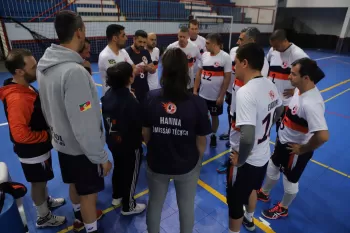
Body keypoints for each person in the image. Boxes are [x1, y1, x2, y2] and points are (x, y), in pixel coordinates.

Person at [37, 10, 111, 233]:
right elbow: (85, 125)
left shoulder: (44, 64)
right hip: (81, 150)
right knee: (89, 195)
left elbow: (46, 108)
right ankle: (90, 227)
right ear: (79, 32)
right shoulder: (74, 72)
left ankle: (79, 217)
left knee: (73, 184)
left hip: (61, 144)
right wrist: (101, 157)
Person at [143, 47, 211, 233]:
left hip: (157, 163)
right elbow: (201, 140)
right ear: (186, 72)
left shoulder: (151, 98)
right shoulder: (197, 103)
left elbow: (146, 134)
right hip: (186, 165)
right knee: (186, 207)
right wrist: (197, 162)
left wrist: (156, 147)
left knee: (155, 205)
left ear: (164, 70)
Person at [0, 49, 66, 228]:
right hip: (32, 150)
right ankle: (43, 216)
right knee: (38, 183)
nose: (38, 69)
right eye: (33, 66)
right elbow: (19, 134)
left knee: (42, 179)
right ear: (19, 71)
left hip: (39, 147)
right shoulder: (17, 99)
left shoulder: (24, 85)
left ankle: (45, 201)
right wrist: (47, 135)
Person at [258, 58, 328, 220]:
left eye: (293, 74)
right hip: (283, 141)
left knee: (290, 180)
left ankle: (283, 208)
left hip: (295, 150)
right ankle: (265, 192)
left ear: (306, 78)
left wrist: (302, 149)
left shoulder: (311, 103)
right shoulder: (300, 89)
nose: (289, 77)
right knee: (273, 165)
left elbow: (323, 136)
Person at [226, 43, 283, 233]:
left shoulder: (246, 92)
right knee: (252, 189)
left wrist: (240, 160)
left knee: (234, 203)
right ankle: (249, 220)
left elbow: (248, 137)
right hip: (263, 154)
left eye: (235, 63)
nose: (234, 68)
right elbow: (280, 109)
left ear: (245, 63)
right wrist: (264, 131)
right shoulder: (270, 84)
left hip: (247, 160)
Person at [217, 27, 269, 174]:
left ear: (251, 41)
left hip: (246, 105)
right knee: (232, 123)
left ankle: (233, 160)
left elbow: (258, 87)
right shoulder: (235, 51)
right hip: (234, 98)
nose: (237, 41)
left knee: (242, 134)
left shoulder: (261, 63)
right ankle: (231, 141)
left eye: (241, 39)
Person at [101, 62, 146, 214]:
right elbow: (139, 123)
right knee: (131, 173)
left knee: (119, 168)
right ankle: (129, 205)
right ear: (130, 78)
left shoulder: (107, 95)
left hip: (113, 141)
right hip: (130, 144)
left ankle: (117, 196)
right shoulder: (130, 101)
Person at [267, 29, 309, 136]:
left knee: (281, 131)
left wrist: (296, 90)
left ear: (285, 41)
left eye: (277, 46)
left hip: (286, 102)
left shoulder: (298, 54)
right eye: (273, 46)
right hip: (271, 99)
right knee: (266, 126)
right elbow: (267, 67)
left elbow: (310, 77)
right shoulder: (273, 51)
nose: (274, 49)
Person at [193, 33, 231, 148]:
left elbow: (227, 78)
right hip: (203, 95)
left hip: (215, 97)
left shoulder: (225, 57)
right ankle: (201, 135)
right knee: (202, 116)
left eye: (208, 43)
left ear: (215, 44)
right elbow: (199, 74)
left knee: (215, 116)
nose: (206, 45)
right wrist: (195, 90)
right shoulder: (204, 55)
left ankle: (213, 135)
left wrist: (221, 96)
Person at [98, 24, 135, 95]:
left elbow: (133, 67)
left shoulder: (123, 52)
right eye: (123, 35)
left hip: (124, 96)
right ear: (115, 38)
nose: (126, 38)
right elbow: (118, 80)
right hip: (113, 100)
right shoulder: (105, 56)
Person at [166, 26, 201, 91]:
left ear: (188, 37)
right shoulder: (171, 47)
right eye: (180, 36)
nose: (182, 39)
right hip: (175, 82)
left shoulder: (194, 47)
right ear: (177, 36)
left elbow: (201, 59)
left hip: (189, 83)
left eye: (184, 37)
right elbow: (164, 61)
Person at [126, 30, 156, 102]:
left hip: (145, 89)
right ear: (134, 39)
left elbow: (153, 70)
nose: (142, 44)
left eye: (144, 42)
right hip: (132, 90)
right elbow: (123, 74)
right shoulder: (126, 53)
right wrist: (134, 71)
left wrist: (147, 68)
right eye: (140, 42)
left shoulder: (145, 52)